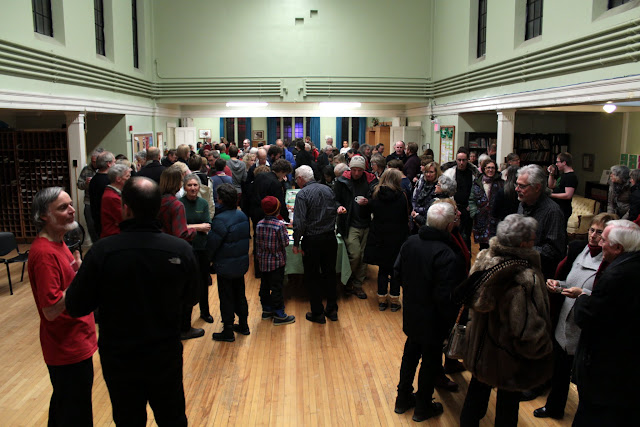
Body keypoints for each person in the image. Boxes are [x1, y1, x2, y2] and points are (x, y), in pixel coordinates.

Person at [65, 177, 197, 426]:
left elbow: (75, 305)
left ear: (125, 208)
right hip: (164, 352)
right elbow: (191, 297)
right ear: (158, 207)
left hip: (120, 356)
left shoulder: (102, 252)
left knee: (128, 419)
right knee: (172, 417)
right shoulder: (179, 250)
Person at [457, 214, 554, 427]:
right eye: (532, 238)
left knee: (474, 401)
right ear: (523, 243)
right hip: (509, 357)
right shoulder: (526, 276)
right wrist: (542, 352)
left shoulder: (484, 258)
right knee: (507, 409)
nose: (535, 241)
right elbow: (528, 330)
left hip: (480, 348)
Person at [533, 213, 617, 420]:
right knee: (560, 369)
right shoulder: (579, 249)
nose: (593, 236)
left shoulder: (611, 262)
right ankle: (554, 407)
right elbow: (568, 280)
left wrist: (582, 295)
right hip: (565, 318)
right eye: (592, 230)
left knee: (584, 378)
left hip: (587, 324)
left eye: (600, 233)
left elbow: (606, 298)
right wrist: (556, 284)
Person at [28, 187, 97, 426]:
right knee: (75, 414)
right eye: (62, 207)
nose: (72, 210)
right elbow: (51, 309)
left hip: (76, 340)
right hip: (66, 347)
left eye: (70, 204)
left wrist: (76, 271)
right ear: (43, 216)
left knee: (64, 408)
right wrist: (80, 279)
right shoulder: (45, 253)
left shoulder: (59, 243)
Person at [393, 203, 466, 422]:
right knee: (430, 361)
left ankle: (402, 398)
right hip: (434, 318)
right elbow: (447, 297)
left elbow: (397, 275)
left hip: (413, 311)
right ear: (449, 226)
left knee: (410, 354)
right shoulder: (447, 253)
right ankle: (423, 407)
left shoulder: (411, 242)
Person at [572, 219, 640, 425]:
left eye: (604, 240)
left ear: (618, 248)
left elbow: (589, 317)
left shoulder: (616, 275)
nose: (599, 244)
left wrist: (582, 298)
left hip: (606, 371)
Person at [292, 165, 339, 323]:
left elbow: (299, 223)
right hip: (330, 238)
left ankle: (317, 313)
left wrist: (296, 243)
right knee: (330, 274)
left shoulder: (302, 194)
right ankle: (332, 310)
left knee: (312, 276)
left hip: (312, 240)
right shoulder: (328, 190)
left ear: (300, 179)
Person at [207, 184, 251, 342]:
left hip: (225, 265)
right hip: (240, 263)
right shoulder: (242, 215)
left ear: (220, 200)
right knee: (240, 294)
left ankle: (228, 330)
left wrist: (208, 261)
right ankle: (244, 325)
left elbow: (212, 244)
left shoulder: (220, 220)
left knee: (226, 297)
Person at [364, 169, 409, 312]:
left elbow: (371, 213)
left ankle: (382, 299)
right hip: (397, 236)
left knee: (382, 269)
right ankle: (394, 300)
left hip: (379, 236)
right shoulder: (401, 196)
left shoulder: (376, 195)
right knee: (395, 269)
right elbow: (404, 218)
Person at [334, 155, 378, 299]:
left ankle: (357, 285)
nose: (357, 173)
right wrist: (339, 207)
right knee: (355, 254)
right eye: (354, 170)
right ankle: (346, 281)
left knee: (364, 256)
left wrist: (369, 202)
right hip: (349, 222)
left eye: (360, 170)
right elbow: (334, 199)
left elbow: (377, 200)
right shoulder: (342, 181)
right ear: (350, 169)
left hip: (366, 222)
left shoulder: (372, 181)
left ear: (364, 170)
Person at [516, 164, 566, 280]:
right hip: (521, 270)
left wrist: (522, 248)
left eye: (522, 186)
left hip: (540, 275)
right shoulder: (523, 204)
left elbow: (554, 251)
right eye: (517, 184)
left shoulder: (552, 211)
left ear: (537, 187)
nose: (517, 189)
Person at [255, 196, 295, 325]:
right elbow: (285, 242)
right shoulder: (279, 225)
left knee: (264, 286)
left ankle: (266, 310)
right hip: (277, 263)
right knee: (277, 287)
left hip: (263, 262)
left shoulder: (259, 224)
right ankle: (279, 314)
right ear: (278, 209)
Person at [180, 174, 213, 323]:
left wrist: (189, 227)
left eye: (195, 185)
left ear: (199, 187)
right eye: (190, 185)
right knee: (187, 282)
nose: (193, 188)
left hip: (202, 247)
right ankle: (186, 317)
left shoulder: (203, 203)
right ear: (184, 187)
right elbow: (179, 229)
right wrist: (198, 226)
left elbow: (207, 226)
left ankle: (205, 312)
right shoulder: (180, 204)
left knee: (203, 281)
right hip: (185, 249)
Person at [443, 147, 480, 251]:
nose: (461, 162)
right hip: (453, 208)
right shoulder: (450, 173)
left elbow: (477, 192)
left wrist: (472, 205)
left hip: (467, 209)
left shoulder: (473, 174)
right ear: (456, 160)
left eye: (464, 160)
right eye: (459, 160)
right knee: (453, 235)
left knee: (466, 237)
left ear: (468, 160)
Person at [469, 159, 503, 250]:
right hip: (481, 220)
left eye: (492, 168)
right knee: (483, 247)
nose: (490, 170)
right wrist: (474, 212)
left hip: (496, 220)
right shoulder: (477, 183)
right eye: (488, 168)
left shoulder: (501, 183)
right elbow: (472, 199)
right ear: (484, 169)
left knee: (495, 247)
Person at [77, 147, 104, 243]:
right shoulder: (86, 170)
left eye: (95, 161)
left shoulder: (105, 169)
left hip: (102, 201)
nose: (94, 163)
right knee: (91, 226)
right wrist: (86, 183)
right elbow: (79, 185)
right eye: (92, 161)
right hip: (89, 202)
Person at [100, 163, 131, 238]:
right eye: (127, 176)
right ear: (118, 179)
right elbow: (124, 218)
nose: (129, 179)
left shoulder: (114, 194)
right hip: (113, 235)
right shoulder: (112, 197)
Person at [89, 150, 115, 238]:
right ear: (109, 164)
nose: (115, 165)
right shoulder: (109, 181)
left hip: (97, 218)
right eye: (114, 162)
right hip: (108, 222)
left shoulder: (94, 180)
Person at [548, 152, 577, 223]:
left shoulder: (571, 177)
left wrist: (550, 194)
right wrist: (551, 173)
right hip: (557, 207)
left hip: (563, 209)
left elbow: (568, 195)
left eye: (558, 162)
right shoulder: (563, 175)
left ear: (564, 163)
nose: (556, 164)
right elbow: (551, 186)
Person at [411, 160, 441, 230]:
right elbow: (414, 197)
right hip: (415, 215)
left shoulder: (438, 187)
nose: (428, 174)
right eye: (426, 172)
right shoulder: (422, 183)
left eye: (431, 172)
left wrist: (417, 212)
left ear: (436, 173)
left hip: (428, 218)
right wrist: (414, 209)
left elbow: (431, 206)